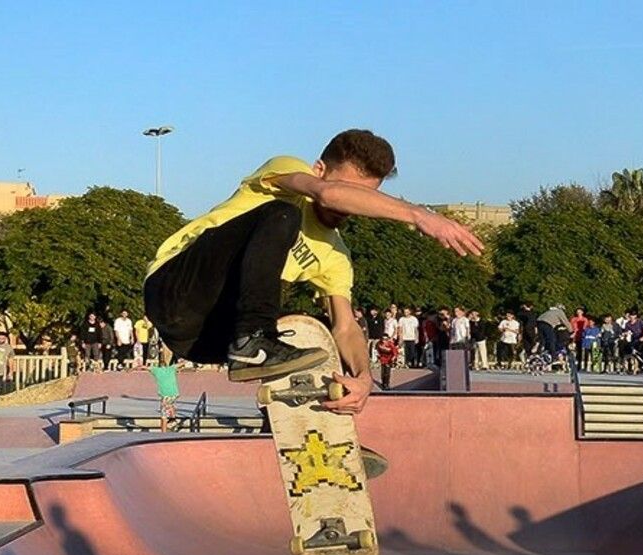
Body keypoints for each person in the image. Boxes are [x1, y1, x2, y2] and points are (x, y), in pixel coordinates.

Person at [143, 129, 482, 414]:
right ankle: (252, 343)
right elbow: (328, 193)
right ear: (319, 169)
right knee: (282, 215)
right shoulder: (285, 171)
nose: (350, 206)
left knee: (308, 336)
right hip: (175, 290)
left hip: (206, 340)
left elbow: (346, 327)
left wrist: (364, 378)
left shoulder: (335, 256)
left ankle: (301, 422)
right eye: (353, 192)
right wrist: (420, 215)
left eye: (366, 197)